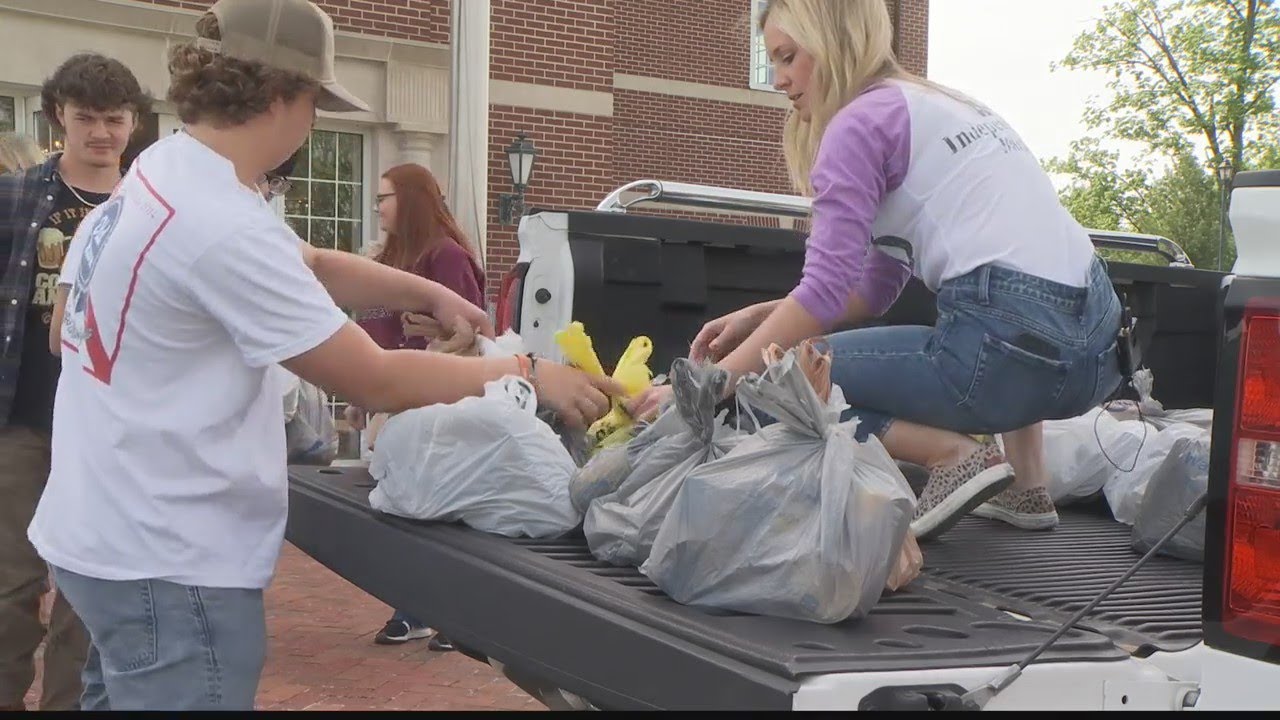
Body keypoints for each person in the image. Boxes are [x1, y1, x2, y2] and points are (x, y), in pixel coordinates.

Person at [28, 0, 620, 711]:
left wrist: (430, 293)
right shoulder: (215, 223)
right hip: (170, 563)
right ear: (282, 95)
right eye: (314, 105)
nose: (312, 125)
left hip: (103, 533)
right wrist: (527, 370)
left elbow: (304, 260)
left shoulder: (169, 168)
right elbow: (372, 380)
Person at [629, 0, 1124, 541]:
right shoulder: (944, 106)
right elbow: (872, 290)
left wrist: (701, 388)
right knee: (1005, 301)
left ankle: (957, 458)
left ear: (833, 41)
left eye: (788, 56)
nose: (779, 79)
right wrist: (761, 314)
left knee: (780, 385)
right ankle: (1027, 486)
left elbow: (823, 292)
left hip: (1003, 359)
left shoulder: (857, 124)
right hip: (1097, 354)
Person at [0, 55, 151, 712]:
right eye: (86, 117)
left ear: (134, 122)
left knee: (85, 596)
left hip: (109, 430)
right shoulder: (15, 197)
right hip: (23, 416)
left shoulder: (149, 209)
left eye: (114, 119)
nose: (101, 133)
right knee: (10, 587)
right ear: (58, 114)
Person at [346, 163, 485, 651]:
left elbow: (474, 330)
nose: (378, 206)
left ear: (411, 200)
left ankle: (439, 612)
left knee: (431, 507)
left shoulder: (445, 258)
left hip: (430, 402)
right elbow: (372, 335)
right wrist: (360, 396)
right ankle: (415, 606)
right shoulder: (388, 259)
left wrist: (443, 335)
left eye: (384, 196)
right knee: (399, 508)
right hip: (389, 400)